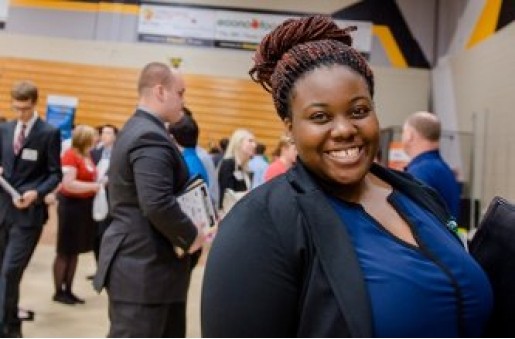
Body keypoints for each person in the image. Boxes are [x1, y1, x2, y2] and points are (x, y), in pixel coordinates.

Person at [201, 15, 492, 337]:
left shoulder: (418, 195)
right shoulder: (259, 224)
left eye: (358, 111)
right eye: (320, 116)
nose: (343, 129)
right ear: (290, 129)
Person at [93, 62, 209, 337]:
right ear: (160, 91)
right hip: (143, 266)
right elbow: (156, 202)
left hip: (148, 265)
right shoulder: (149, 135)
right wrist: (191, 235)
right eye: (180, 93)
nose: (183, 101)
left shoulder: (141, 128)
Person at [0, 81, 62, 337]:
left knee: (10, 271)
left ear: (34, 104)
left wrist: (36, 193)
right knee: (3, 274)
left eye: (24, 108)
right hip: (3, 211)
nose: (20, 114)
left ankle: (4, 327)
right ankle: (11, 325)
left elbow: (55, 174)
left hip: (29, 216)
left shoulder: (48, 133)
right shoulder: (4, 129)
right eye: (16, 108)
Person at [53, 125, 101, 305]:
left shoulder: (87, 155)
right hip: (70, 206)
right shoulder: (70, 156)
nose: (97, 138)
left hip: (83, 207)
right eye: (94, 136)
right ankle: (59, 291)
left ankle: (69, 289)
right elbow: (68, 184)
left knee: (74, 251)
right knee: (65, 250)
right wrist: (94, 187)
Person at [401, 111, 461, 219]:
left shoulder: (419, 173)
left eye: (404, 132)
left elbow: (414, 219)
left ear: (410, 135)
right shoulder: (443, 169)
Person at [90, 124, 118, 265]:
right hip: (93, 196)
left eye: (108, 133)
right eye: (103, 133)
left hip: (109, 199)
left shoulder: (118, 155)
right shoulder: (95, 152)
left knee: (104, 233)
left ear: (115, 136)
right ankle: (98, 266)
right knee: (94, 235)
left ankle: (105, 266)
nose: (105, 136)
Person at [217, 128, 256, 209]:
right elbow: (225, 194)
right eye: (250, 141)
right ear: (239, 143)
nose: (254, 145)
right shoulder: (228, 164)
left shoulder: (245, 168)